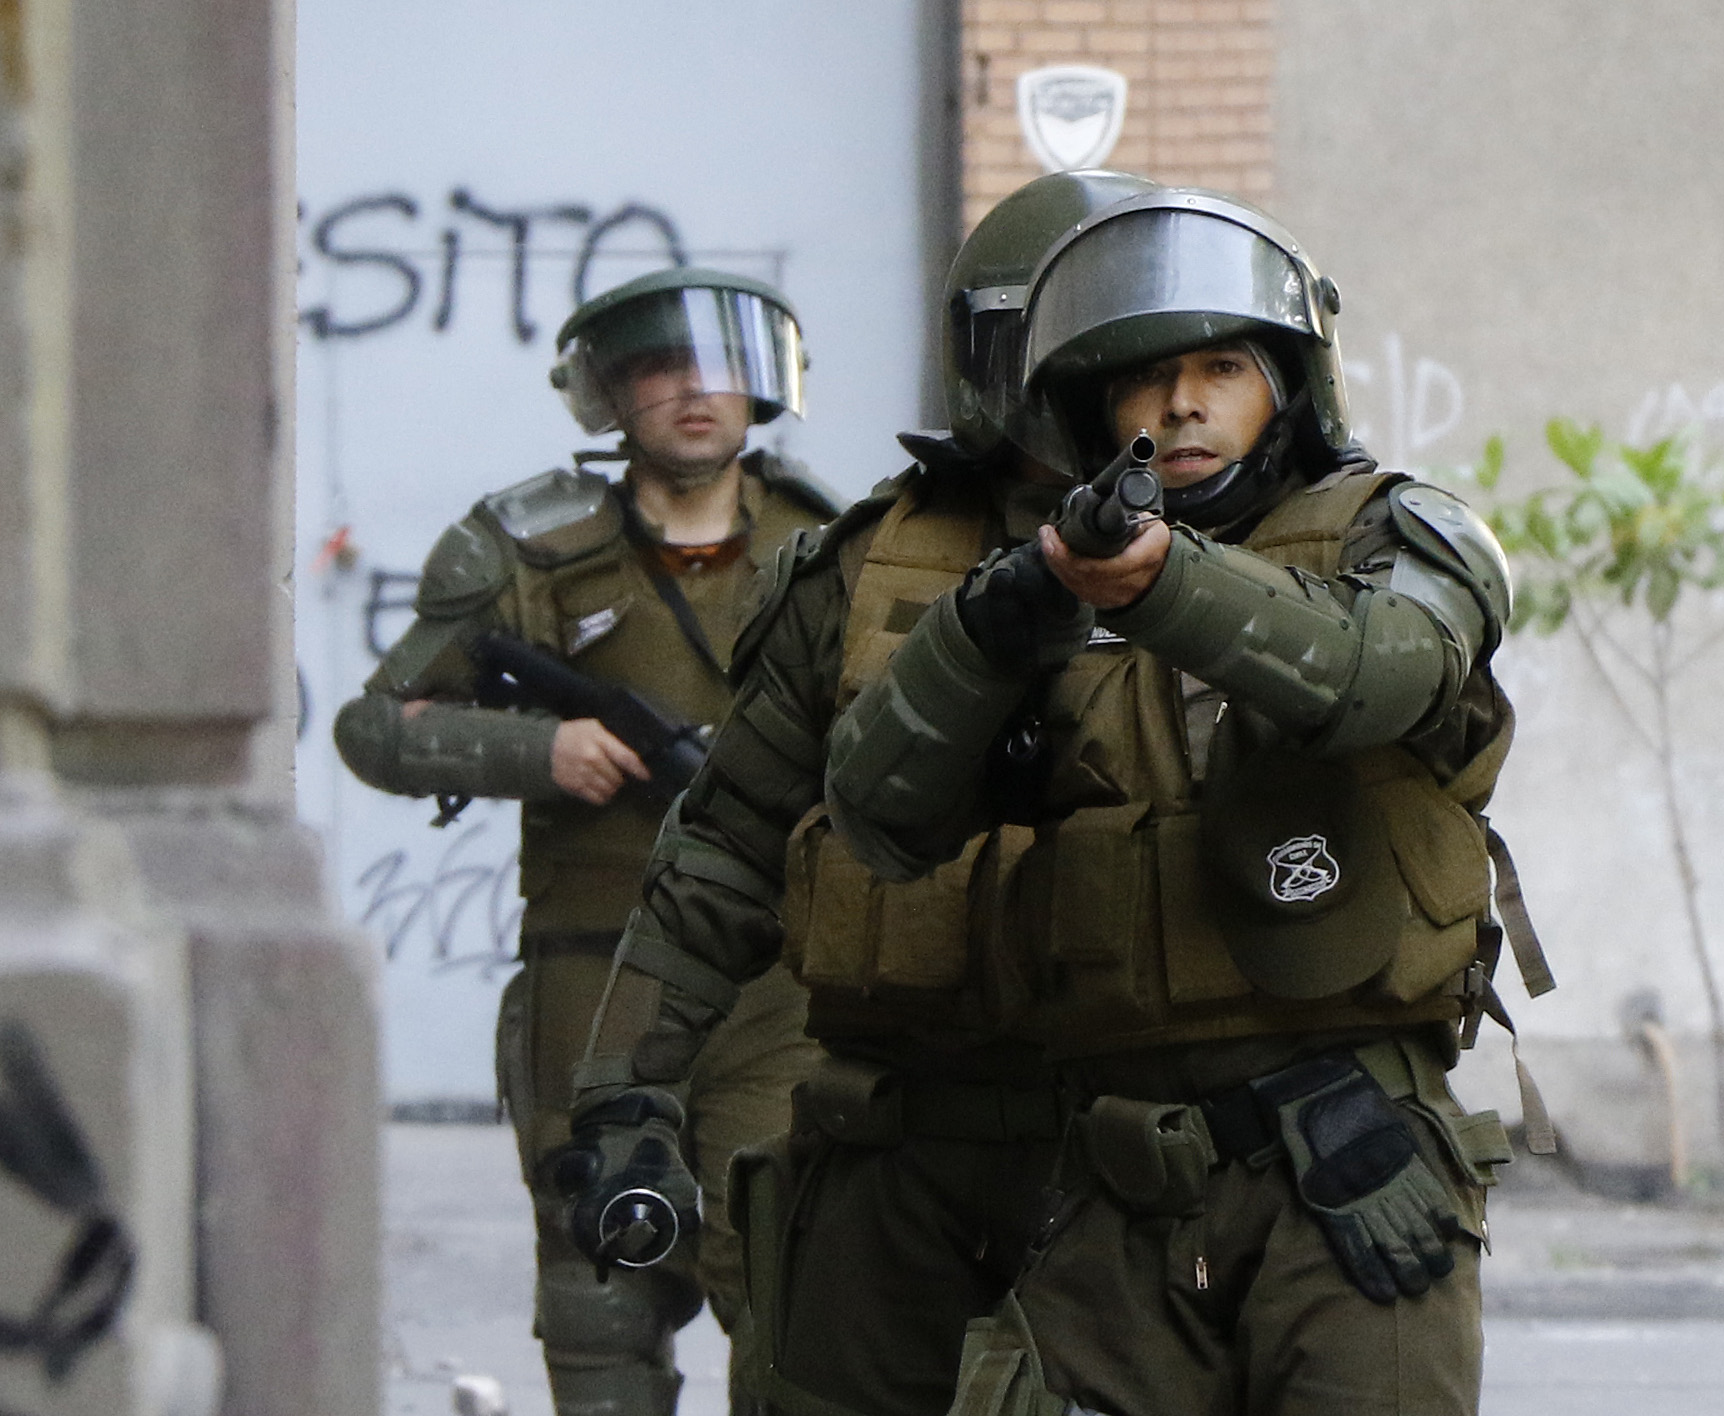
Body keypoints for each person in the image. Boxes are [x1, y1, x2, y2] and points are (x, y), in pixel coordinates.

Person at [569, 179, 1548, 1416]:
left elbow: (1386, 672)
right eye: (1131, 367)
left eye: (1212, 364)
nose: (1174, 401)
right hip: (913, 1138)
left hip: (1182, 1142)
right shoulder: (870, 566)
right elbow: (745, 842)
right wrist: (626, 1087)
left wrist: (1162, 584)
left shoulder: (1342, 537)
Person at [333, 266, 838, 1416]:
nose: (694, 392)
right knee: (599, 1292)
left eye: (719, 366)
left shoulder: (831, 544)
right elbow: (376, 727)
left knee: (792, 1286)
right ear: (610, 395)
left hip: (776, 986)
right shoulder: (528, 550)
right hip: (597, 981)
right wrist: (536, 752)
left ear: (764, 385)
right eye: (661, 368)